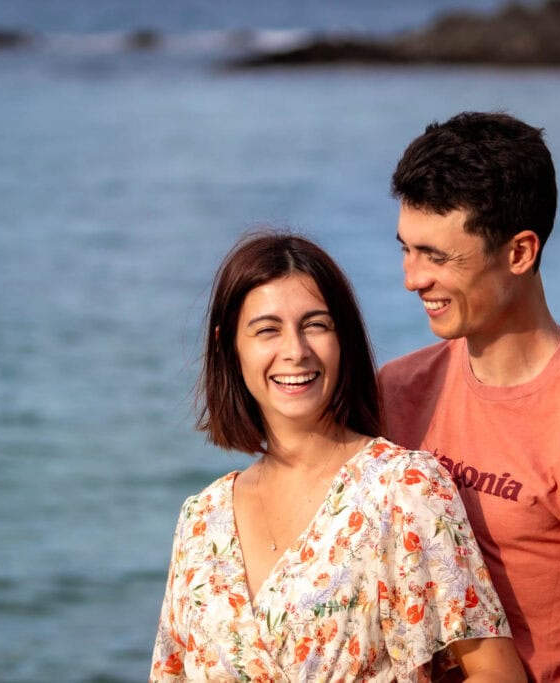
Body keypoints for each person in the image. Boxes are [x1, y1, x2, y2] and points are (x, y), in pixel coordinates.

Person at [149, 231, 526, 682]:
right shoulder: (200, 520)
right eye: (267, 329)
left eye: (316, 325)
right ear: (228, 344)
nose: (295, 351)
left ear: (342, 340)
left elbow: (496, 673)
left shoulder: (402, 489)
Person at [379, 112, 560, 682]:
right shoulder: (395, 390)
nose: (413, 278)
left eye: (437, 256)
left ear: (519, 253)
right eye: (407, 249)